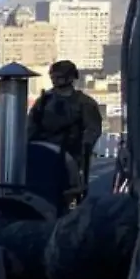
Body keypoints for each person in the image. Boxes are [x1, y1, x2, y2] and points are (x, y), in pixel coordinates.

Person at [28, 60, 103, 196]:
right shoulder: (44, 100)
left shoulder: (84, 103)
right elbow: (32, 124)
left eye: (59, 77)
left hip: (70, 153)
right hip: (42, 151)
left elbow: (92, 129)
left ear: (70, 78)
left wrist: (83, 147)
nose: (55, 80)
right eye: (53, 77)